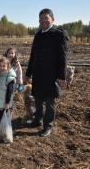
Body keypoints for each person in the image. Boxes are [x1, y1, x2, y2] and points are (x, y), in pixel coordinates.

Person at [26, 8, 69, 137]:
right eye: (41, 19)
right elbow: (33, 55)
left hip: (52, 75)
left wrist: (61, 77)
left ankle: (48, 126)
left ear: (52, 19)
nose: (43, 21)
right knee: (38, 98)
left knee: (50, 102)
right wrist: (29, 73)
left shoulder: (59, 34)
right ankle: (37, 120)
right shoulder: (38, 34)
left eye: (46, 18)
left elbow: (63, 56)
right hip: (38, 73)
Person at [0, 57, 16, 140]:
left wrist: (7, 103)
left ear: (8, 67)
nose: (2, 67)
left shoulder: (10, 78)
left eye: (4, 66)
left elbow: (10, 91)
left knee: (0, 119)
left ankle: (0, 134)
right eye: (0, 66)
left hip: (3, 102)